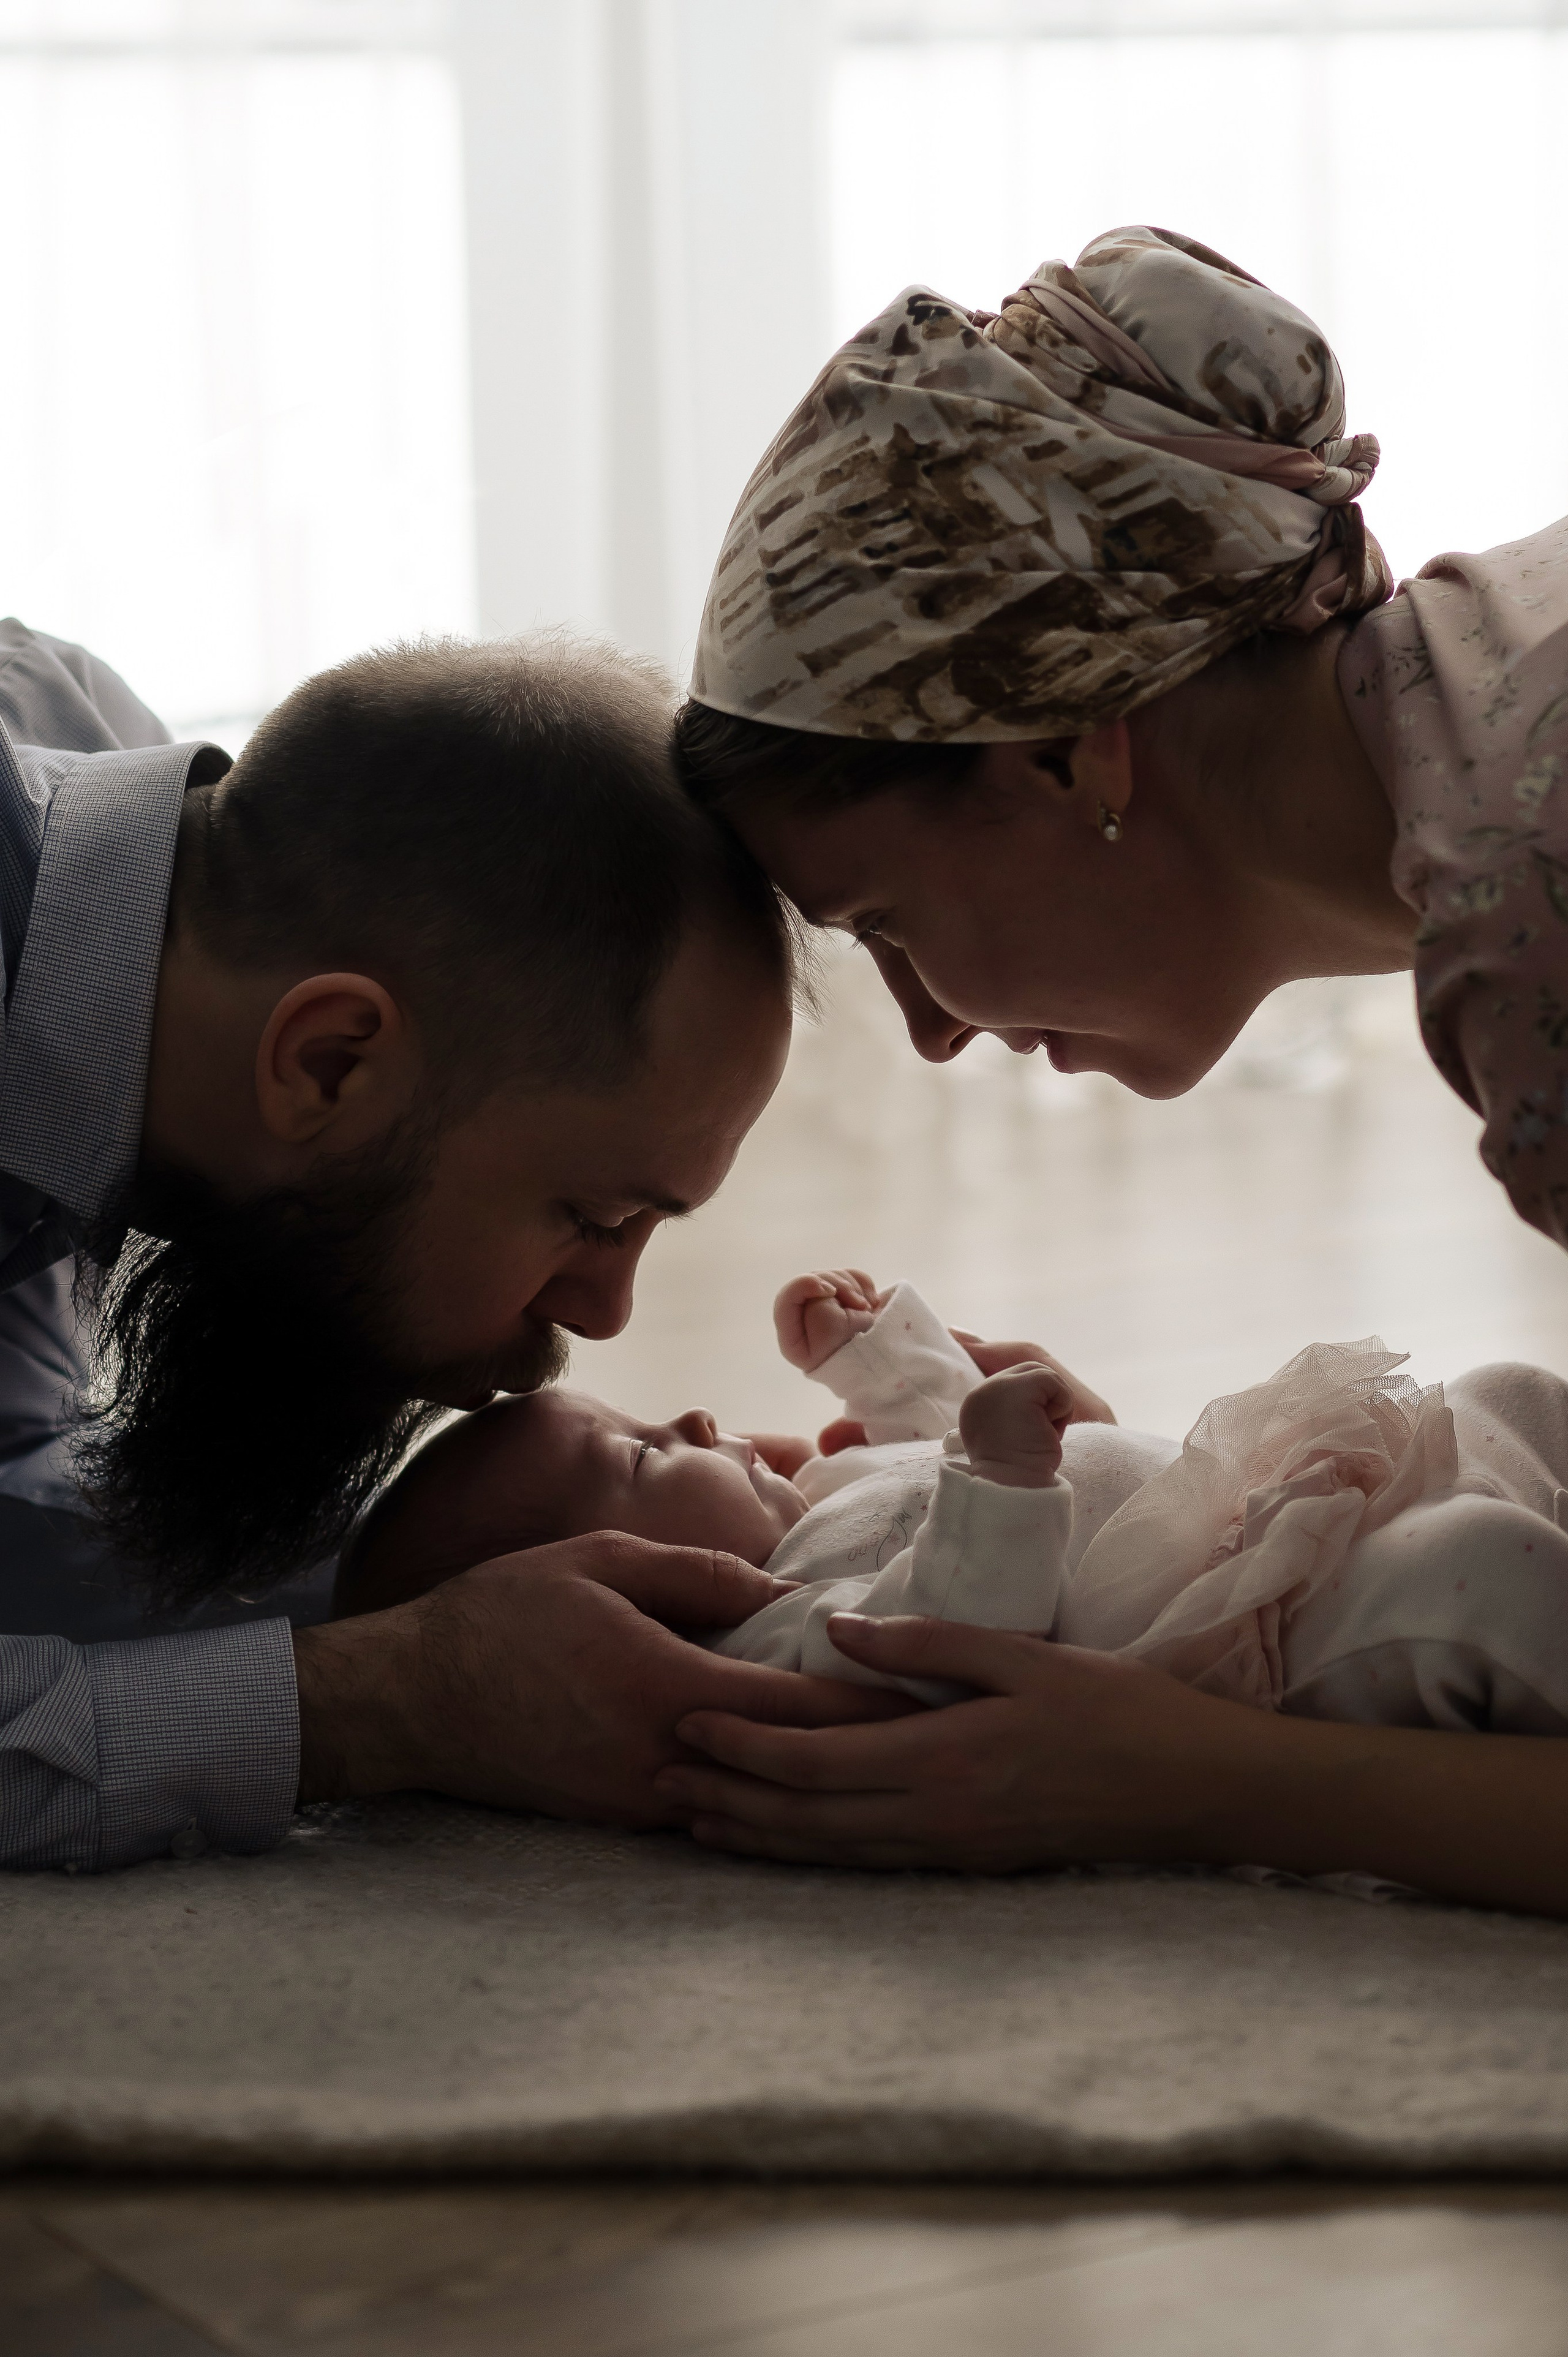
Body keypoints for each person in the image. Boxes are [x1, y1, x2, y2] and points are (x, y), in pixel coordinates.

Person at [662, 226, 1568, 1913]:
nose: (930, 1031)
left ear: (1073, 746)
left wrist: (1189, 1775)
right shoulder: (1505, 709)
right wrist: (1171, 1530)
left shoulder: (1537, 923)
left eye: (886, 921)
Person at [0, 622, 892, 1872]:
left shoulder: (155, 906)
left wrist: (466, 1554)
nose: (604, 1317)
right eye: (588, 1219)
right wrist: (393, 1699)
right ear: (329, 1060)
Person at [342, 1267, 1568, 1763]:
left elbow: (937, 1426)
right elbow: (943, 1639)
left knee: (1502, 1395)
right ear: (634, 1578)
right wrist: (995, 1472)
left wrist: (876, 1352)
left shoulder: (817, 1500)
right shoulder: (766, 1632)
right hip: (1261, 1629)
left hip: (1279, 1505)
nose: (704, 1422)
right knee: (1480, 1573)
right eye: (649, 1456)